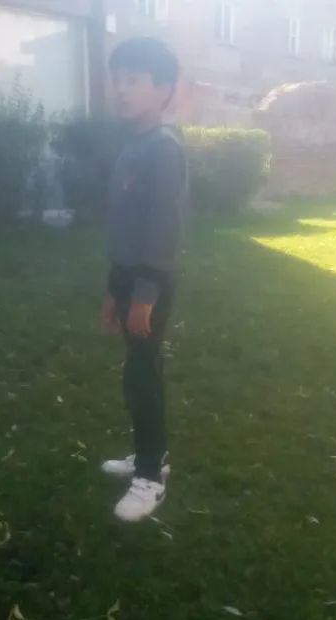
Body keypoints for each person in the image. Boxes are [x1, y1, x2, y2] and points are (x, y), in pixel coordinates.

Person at [101, 36, 188, 523]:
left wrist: (143, 296)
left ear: (163, 90)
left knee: (142, 377)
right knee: (139, 372)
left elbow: (163, 232)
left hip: (149, 283)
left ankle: (151, 477)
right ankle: (150, 452)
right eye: (118, 79)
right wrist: (112, 291)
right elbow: (126, 226)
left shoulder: (164, 149)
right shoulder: (135, 145)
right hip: (127, 277)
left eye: (133, 80)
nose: (121, 89)